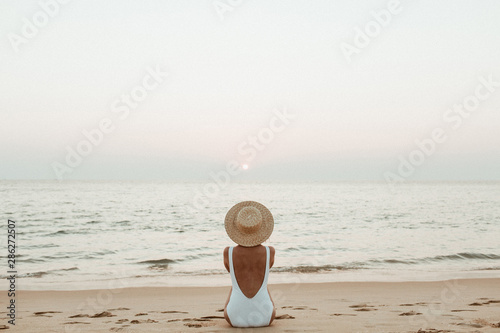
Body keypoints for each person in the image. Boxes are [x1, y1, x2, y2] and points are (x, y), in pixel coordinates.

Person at [223, 201, 276, 328]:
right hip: (265, 317)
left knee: (234, 285)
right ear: (261, 228)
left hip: (235, 317)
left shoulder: (228, 252)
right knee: (263, 284)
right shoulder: (270, 251)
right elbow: (266, 268)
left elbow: (231, 272)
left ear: (237, 228)